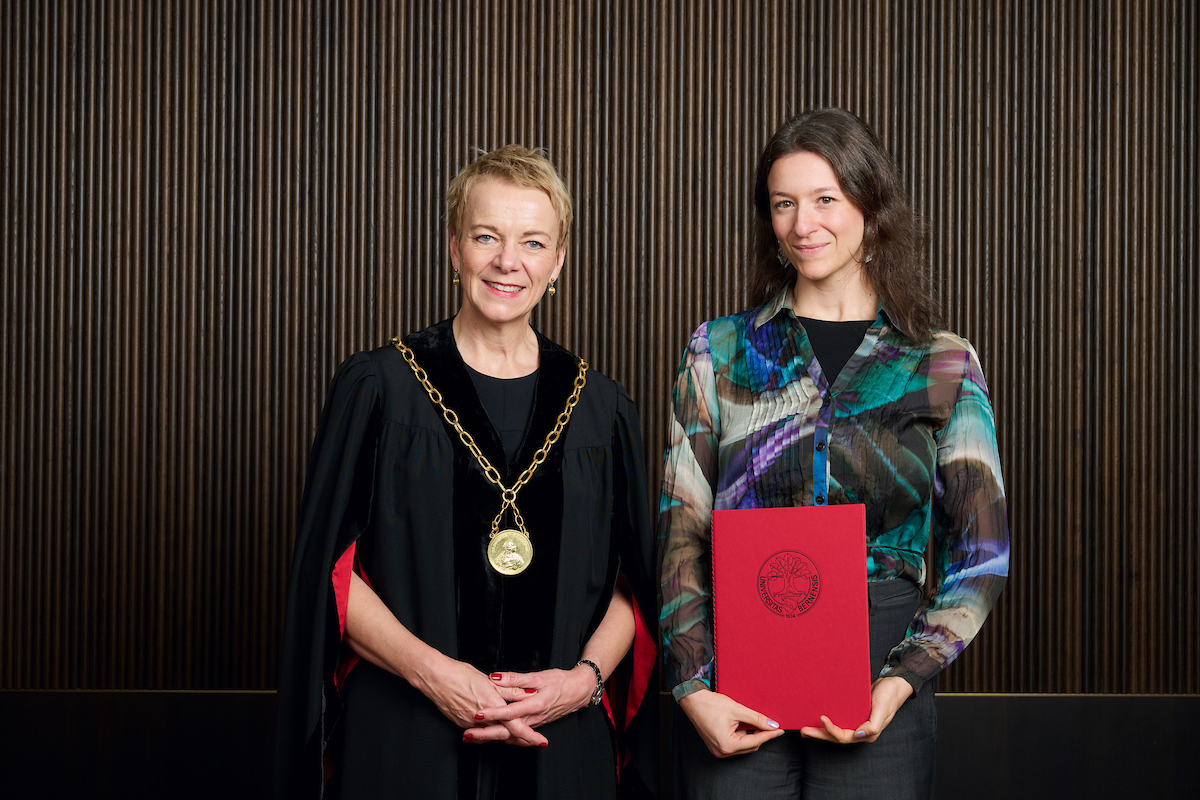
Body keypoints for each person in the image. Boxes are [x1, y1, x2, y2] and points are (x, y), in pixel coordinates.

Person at [275, 146, 658, 799]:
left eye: (533, 242)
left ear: (558, 261)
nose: (508, 261)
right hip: (407, 736)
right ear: (455, 249)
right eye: (486, 236)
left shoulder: (602, 410)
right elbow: (330, 573)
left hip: (561, 741)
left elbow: (634, 583)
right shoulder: (380, 390)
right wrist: (434, 675)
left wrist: (581, 682)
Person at [658, 108, 1009, 799]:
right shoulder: (718, 350)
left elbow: (982, 552)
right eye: (783, 204)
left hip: (883, 669)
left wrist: (902, 679)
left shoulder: (941, 362)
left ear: (870, 207)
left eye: (825, 199)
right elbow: (680, 533)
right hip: (736, 669)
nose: (803, 224)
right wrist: (692, 687)